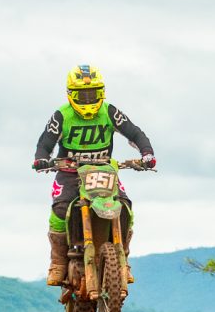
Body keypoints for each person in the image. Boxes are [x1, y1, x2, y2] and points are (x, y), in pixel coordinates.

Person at [32, 65, 156, 286]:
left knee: (124, 206)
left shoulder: (109, 112)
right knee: (60, 208)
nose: (88, 100)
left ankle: (123, 260)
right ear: (71, 95)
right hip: (69, 171)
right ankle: (58, 262)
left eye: (92, 94)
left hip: (104, 169)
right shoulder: (62, 116)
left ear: (101, 93)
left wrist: (147, 153)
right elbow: (45, 143)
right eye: (82, 95)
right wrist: (41, 158)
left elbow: (134, 133)